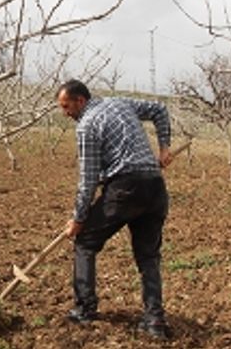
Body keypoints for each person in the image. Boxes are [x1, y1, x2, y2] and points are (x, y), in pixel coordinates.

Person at [56, 79, 173, 339]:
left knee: (85, 242)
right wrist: (164, 147)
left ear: (80, 101)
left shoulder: (86, 126)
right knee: (148, 256)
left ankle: (85, 309)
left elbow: (87, 179)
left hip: (126, 189)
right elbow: (159, 110)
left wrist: (78, 218)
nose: (65, 114)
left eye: (66, 107)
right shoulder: (119, 102)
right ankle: (155, 322)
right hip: (155, 187)